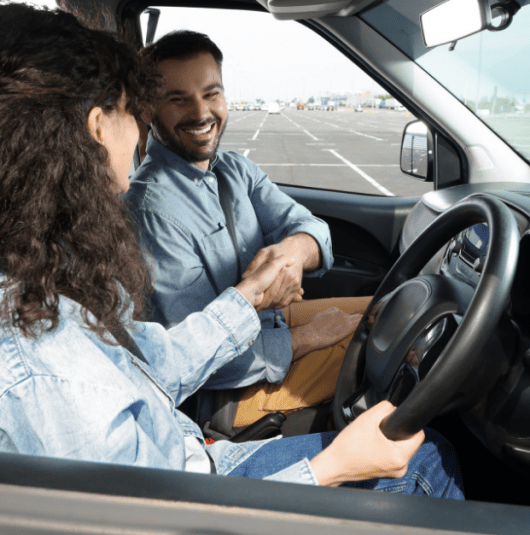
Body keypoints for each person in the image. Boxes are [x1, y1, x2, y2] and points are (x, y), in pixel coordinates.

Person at [0, 3, 462, 496]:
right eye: (136, 109)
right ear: (98, 127)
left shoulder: (33, 277)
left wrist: (251, 294)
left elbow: (150, 363)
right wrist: (334, 467)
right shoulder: (35, 350)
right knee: (424, 459)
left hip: (193, 462)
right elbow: (144, 519)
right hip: (192, 490)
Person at [124, 31, 369, 430]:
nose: (201, 112)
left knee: (390, 308)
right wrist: (306, 337)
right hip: (222, 393)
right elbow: (194, 359)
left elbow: (312, 229)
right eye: (178, 98)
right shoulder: (151, 211)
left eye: (211, 93)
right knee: (380, 348)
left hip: (270, 328)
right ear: (149, 110)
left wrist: (292, 254)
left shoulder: (234, 170)